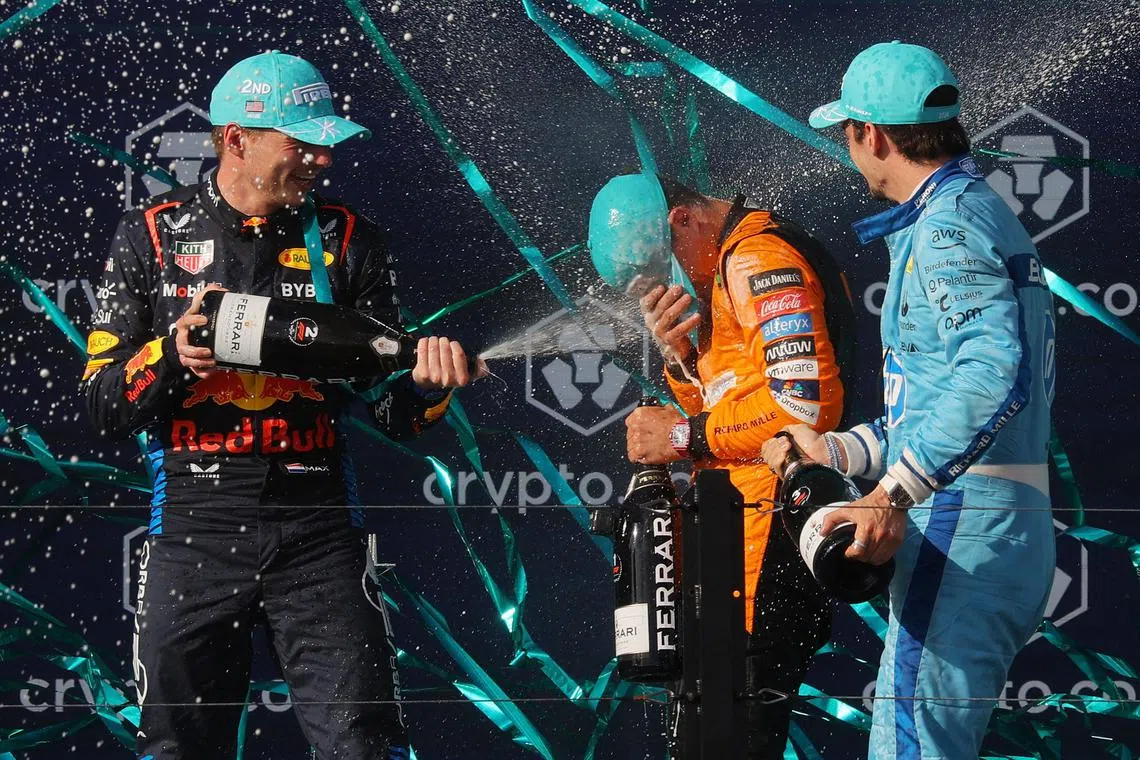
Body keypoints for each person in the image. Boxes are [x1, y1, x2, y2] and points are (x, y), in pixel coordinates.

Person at [82, 51, 476, 759]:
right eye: (304, 142)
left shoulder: (351, 239)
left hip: (318, 526)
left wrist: (427, 384)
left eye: (327, 142)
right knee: (178, 748)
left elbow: (394, 412)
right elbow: (103, 404)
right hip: (196, 524)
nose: (323, 159)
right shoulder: (150, 234)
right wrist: (174, 354)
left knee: (362, 746)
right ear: (237, 139)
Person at [763, 41, 1057, 759]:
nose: (848, 151)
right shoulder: (970, 211)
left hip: (966, 519)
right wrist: (836, 451)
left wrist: (890, 493)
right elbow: (929, 407)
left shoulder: (949, 223)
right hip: (986, 515)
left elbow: (992, 375)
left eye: (848, 133)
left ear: (877, 135)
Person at [588, 173, 857, 758]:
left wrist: (682, 436)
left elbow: (807, 404)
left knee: (734, 740)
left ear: (681, 220)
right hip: (734, 542)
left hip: (771, 541)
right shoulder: (728, 267)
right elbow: (731, 400)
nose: (663, 288)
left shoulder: (757, 257)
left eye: (661, 269)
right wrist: (683, 360)